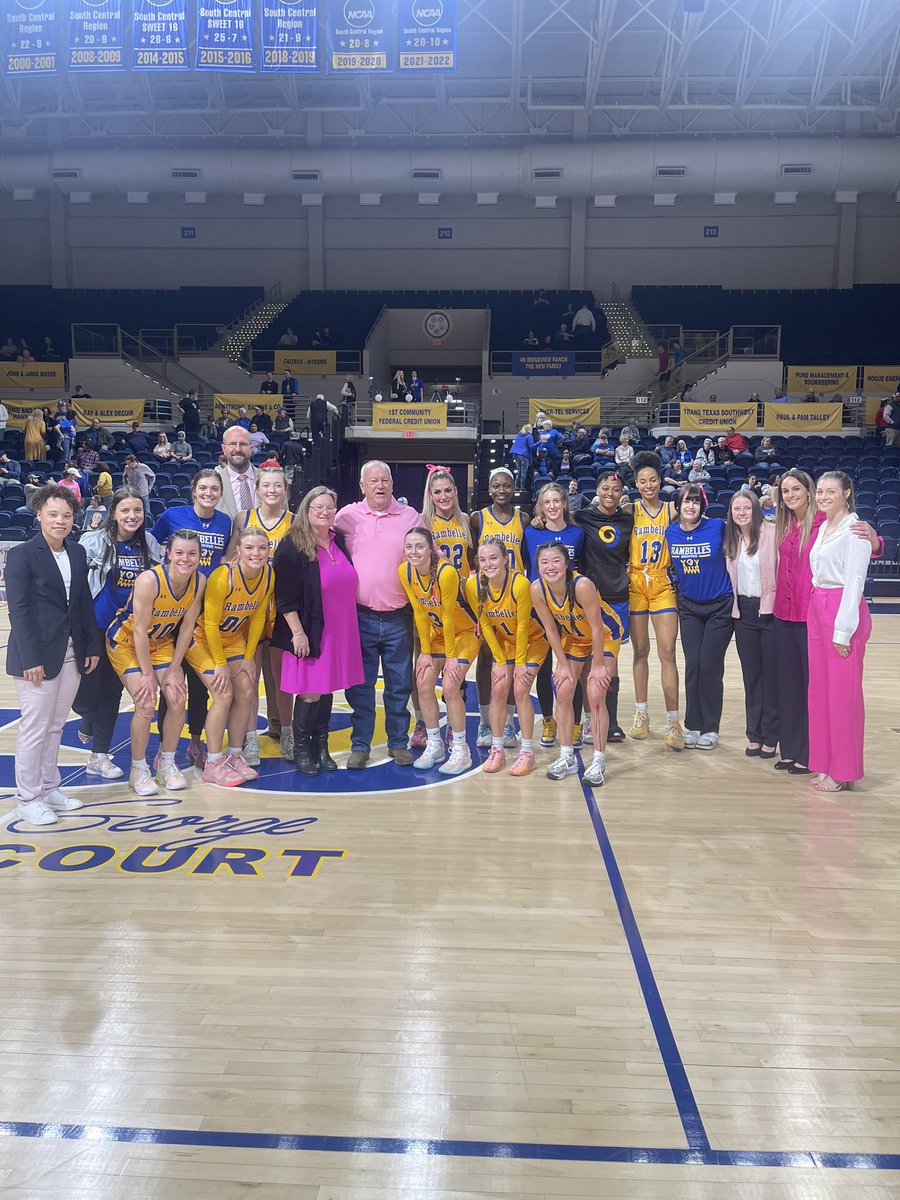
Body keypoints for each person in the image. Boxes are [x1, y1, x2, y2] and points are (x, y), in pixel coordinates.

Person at [772, 469, 879, 775]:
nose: (823, 497)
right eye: (821, 491)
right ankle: (821, 762)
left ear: (846, 494)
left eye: (830, 491)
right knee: (816, 693)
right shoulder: (818, 527)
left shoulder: (849, 527)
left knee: (841, 696)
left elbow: (856, 575)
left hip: (835, 609)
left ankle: (842, 770)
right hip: (808, 609)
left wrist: (844, 630)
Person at [5, 485, 101, 826]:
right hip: (36, 657)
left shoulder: (76, 553)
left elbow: (83, 604)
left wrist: (91, 646)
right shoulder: (21, 555)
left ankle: (48, 787)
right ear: (39, 515)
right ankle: (27, 798)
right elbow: (18, 610)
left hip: (71, 652)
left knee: (56, 726)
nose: (60, 521)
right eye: (53, 514)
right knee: (36, 727)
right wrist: (31, 658)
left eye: (66, 515)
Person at [334, 461, 422, 769]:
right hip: (360, 616)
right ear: (362, 486)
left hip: (400, 616)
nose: (380, 485)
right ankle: (361, 745)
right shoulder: (345, 517)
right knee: (361, 686)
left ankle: (398, 742)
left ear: (393, 484)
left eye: (385, 479)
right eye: (373, 480)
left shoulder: (411, 517)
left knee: (399, 684)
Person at [273, 486, 364, 776]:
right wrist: (298, 633)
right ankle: (302, 750)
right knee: (310, 692)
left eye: (329, 508)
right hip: (311, 629)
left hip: (341, 628)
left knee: (327, 690)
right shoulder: (292, 544)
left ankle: (320, 747)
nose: (325, 513)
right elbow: (284, 597)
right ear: (306, 511)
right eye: (318, 508)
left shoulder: (338, 542)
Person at [106, 531, 205, 796]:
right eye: (180, 553)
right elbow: (138, 631)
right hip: (126, 641)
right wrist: (148, 674)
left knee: (176, 698)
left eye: (192, 553)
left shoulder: (200, 581)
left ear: (199, 556)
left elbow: (186, 629)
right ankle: (137, 769)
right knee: (146, 701)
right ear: (169, 554)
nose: (186, 558)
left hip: (161, 642)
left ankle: (166, 762)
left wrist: (174, 669)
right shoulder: (150, 580)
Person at [76, 489, 163, 779]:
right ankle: (87, 721)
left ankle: (99, 755)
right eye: (125, 510)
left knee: (111, 692)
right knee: (85, 698)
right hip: (94, 628)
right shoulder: (93, 541)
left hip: (124, 634)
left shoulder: (149, 544)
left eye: (137, 510)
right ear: (114, 512)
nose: (132, 516)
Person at [185, 530, 274, 788]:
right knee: (223, 693)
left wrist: (248, 657)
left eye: (261, 548)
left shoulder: (269, 574)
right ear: (239, 551)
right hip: (202, 640)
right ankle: (213, 763)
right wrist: (221, 664)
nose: (255, 554)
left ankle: (235, 755)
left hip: (233, 638)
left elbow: (257, 616)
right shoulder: (223, 577)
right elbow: (211, 624)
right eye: (249, 548)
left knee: (246, 690)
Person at [531, 543, 616, 786]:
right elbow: (550, 629)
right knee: (564, 688)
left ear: (567, 564)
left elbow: (598, 628)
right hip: (575, 637)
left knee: (595, 692)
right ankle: (566, 756)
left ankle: (599, 760)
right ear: (538, 566)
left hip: (606, 635)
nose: (550, 567)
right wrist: (562, 664)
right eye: (544, 562)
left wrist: (598, 665)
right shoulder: (537, 589)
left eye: (556, 561)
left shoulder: (582, 585)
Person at [226, 467, 296, 760]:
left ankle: (287, 733)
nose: (271, 490)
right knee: (249, 675)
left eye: (277, 486)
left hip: (281, 609)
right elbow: (229, 558)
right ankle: (251, 736)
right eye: (266, 485)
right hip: (249, 608)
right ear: (257, 489)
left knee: (281, 677)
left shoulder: (294, 522)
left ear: (285, 490)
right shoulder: (243, 519)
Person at [398, 528, 478, 775]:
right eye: (409, 546)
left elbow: (447, 615)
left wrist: (451, 657)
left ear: (431, 549)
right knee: (422, 683)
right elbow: (420, 613)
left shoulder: (447, 572)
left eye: (419, 546)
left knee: (452, 686)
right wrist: (424, 651)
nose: (413, 552)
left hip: (463, 633)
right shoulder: (405, 571)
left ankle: (461, 750)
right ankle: (435, 745)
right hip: (437, 635)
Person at [465, 538, 548, 777]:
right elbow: (486, 625)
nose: (488, 563)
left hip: (532, 641)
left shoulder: (520, 583)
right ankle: (497, 748)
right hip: (505, 643)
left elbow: (523, 626)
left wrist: (519, 663)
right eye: (482, 559)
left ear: (505, 560)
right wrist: (500, 661)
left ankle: (527, 753)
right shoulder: (474, 586)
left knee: (521, 690)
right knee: (499, 688)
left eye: (493, 558)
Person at [664, 484, 733, 750]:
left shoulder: (717, 526)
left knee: (709, 665)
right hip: (690, 607)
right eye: (685, 501)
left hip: (719, 606)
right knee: (693, 664)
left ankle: (711, 728)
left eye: (695, 501)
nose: (690, 506)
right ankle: (693, 725)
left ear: (702, 504)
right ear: (678, 505)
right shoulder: (670, 532)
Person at [470, 467, 530, 749]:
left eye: (506, 485)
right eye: (497, 486)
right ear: (490, 489)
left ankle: (507, 722)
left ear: (513, 488)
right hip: (487, 597)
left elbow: (529, 557)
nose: (502, 490)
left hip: (515, 598)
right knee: (486, 657)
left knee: (510, 658)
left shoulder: (524, 519)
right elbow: (473, 556)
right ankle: (484, 721)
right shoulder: (477, 518)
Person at [628, 452, 684, 749]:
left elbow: (697, 511)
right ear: (635, 483)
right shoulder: (629, 509)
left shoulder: (671, 510)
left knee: (667, 651)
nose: (648, 485)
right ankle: (641, 713)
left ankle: (674, 721)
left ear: (660, 481)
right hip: (635, 583)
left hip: (662, 583)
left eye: (652, 480)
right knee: (640, 650)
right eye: (642, 481)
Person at [523, 483, 584, 751]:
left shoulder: (577, 533)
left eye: (556, 501)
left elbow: (581, 568)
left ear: (564, 503)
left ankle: (576, 724)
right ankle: (549, 720)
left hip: (570, 611)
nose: (552, 506)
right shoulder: (531, 532)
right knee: (546, 669)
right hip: (541, 610)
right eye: (546, 502)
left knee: (572, 669)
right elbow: (529, 567)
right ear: (540, 507)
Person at [573, 472, 634, 743]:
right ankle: (589, 719)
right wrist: (538, 517)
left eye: (616, 489)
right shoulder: (583, 517)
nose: (610, 493)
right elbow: (557, 521)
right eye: (605, 487)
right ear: (597, 489)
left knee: (610, 663)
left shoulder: (627, 519)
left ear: (622, 493)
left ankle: (611, 722)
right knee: (587, 660)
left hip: (618, 598)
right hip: (589, 599)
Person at [724, 491, 778, 758]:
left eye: (747, 507)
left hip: (769, 611)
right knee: (751, 678)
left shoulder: (773, 532)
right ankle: (754, 734)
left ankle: (771, 735)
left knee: (771, 677)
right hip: (742, 613)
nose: (742, 513)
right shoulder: (731, 539)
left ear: (756, 509)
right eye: (737, 509)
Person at [422, 466, 473, 573]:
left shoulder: (464, 519)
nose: (443, 496)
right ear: (430, 495)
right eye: (437, 492)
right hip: (438, 585)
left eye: (448, 490)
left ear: (455, 491)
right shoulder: (423, 520)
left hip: (463, 586)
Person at [215, 425, 260, 518]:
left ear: (251, 448)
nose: (238, 449)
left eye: (243, 444)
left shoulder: (268, 480)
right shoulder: (213, 483)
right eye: (232, 444)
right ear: (224, 449)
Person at [508, 424, 534, 490]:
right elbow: (531, 447)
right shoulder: (529, 436)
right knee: (523, 472)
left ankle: (516, 486)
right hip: (524, 455)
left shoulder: (518, 436)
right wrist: (540, 441)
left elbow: (515, 445)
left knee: (518, 471)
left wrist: (513, 455)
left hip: (517, 454)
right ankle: (522, 487)